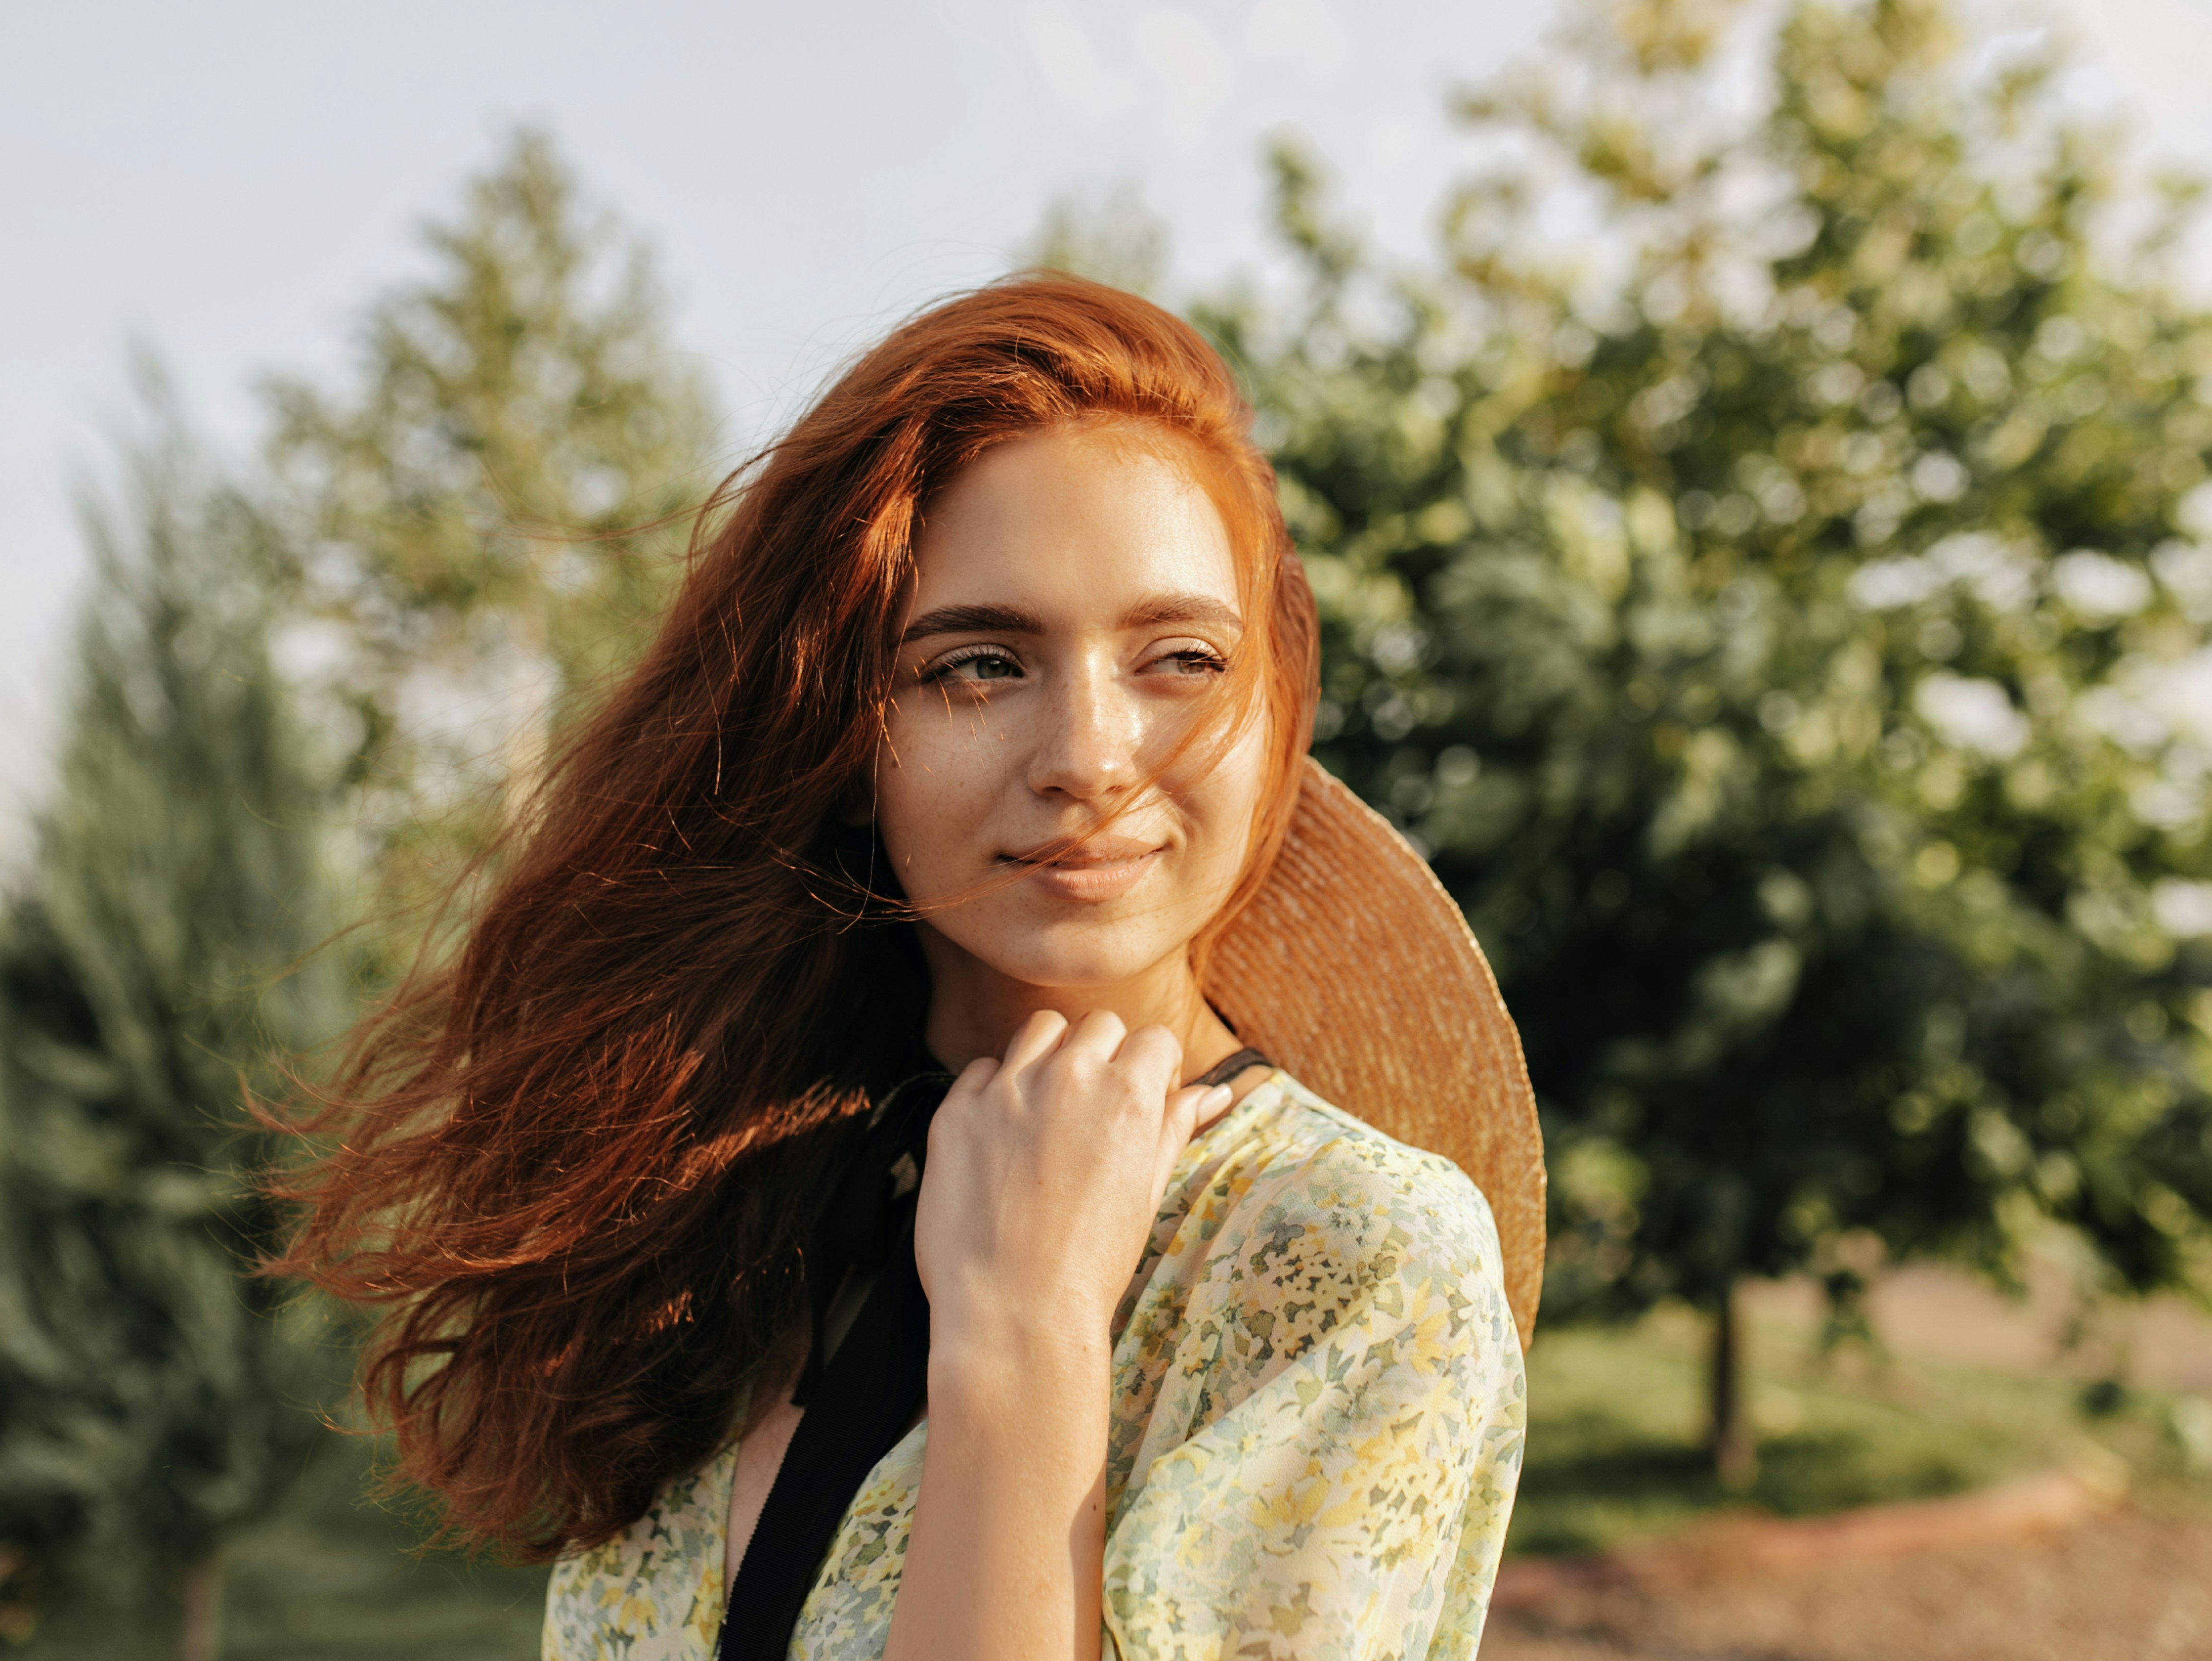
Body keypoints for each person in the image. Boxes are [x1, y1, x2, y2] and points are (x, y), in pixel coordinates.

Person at [271, 275, 1544, 1661]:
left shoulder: (1349, 1261)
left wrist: (1032, 1340)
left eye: (1180, 657)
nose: (1091, 759)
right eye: (980, 665)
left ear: (1277, 712)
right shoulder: (742, 1205)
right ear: (848, 739)